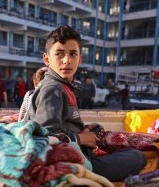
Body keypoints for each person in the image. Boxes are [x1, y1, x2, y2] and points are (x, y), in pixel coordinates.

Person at [25, 25, 146, 181]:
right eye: (59, 54)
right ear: (47, 59)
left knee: (122, 148)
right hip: (74, 163)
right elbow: (44, 137)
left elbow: (62, 125)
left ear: (79, 59)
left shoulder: (63, 86)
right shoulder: (53, 89)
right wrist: (80, 139)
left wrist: (85, 131)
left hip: (78, 153)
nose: (66, 60)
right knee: (137, 156)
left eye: (73, 54)